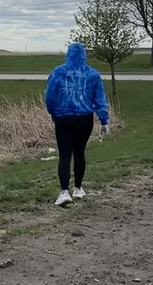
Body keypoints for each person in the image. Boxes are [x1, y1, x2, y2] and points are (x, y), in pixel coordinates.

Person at [44, 42, 110, 207]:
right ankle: (78, 188)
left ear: (68, 55)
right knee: (79, 152)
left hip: (64, 117)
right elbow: (100, 99)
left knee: (65, 154)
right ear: (84, 55)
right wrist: (104, 120)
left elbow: (50, 96)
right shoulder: (92, 74)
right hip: (84, 118)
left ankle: (64, 191)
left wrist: (52, 112)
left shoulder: (58, 72)